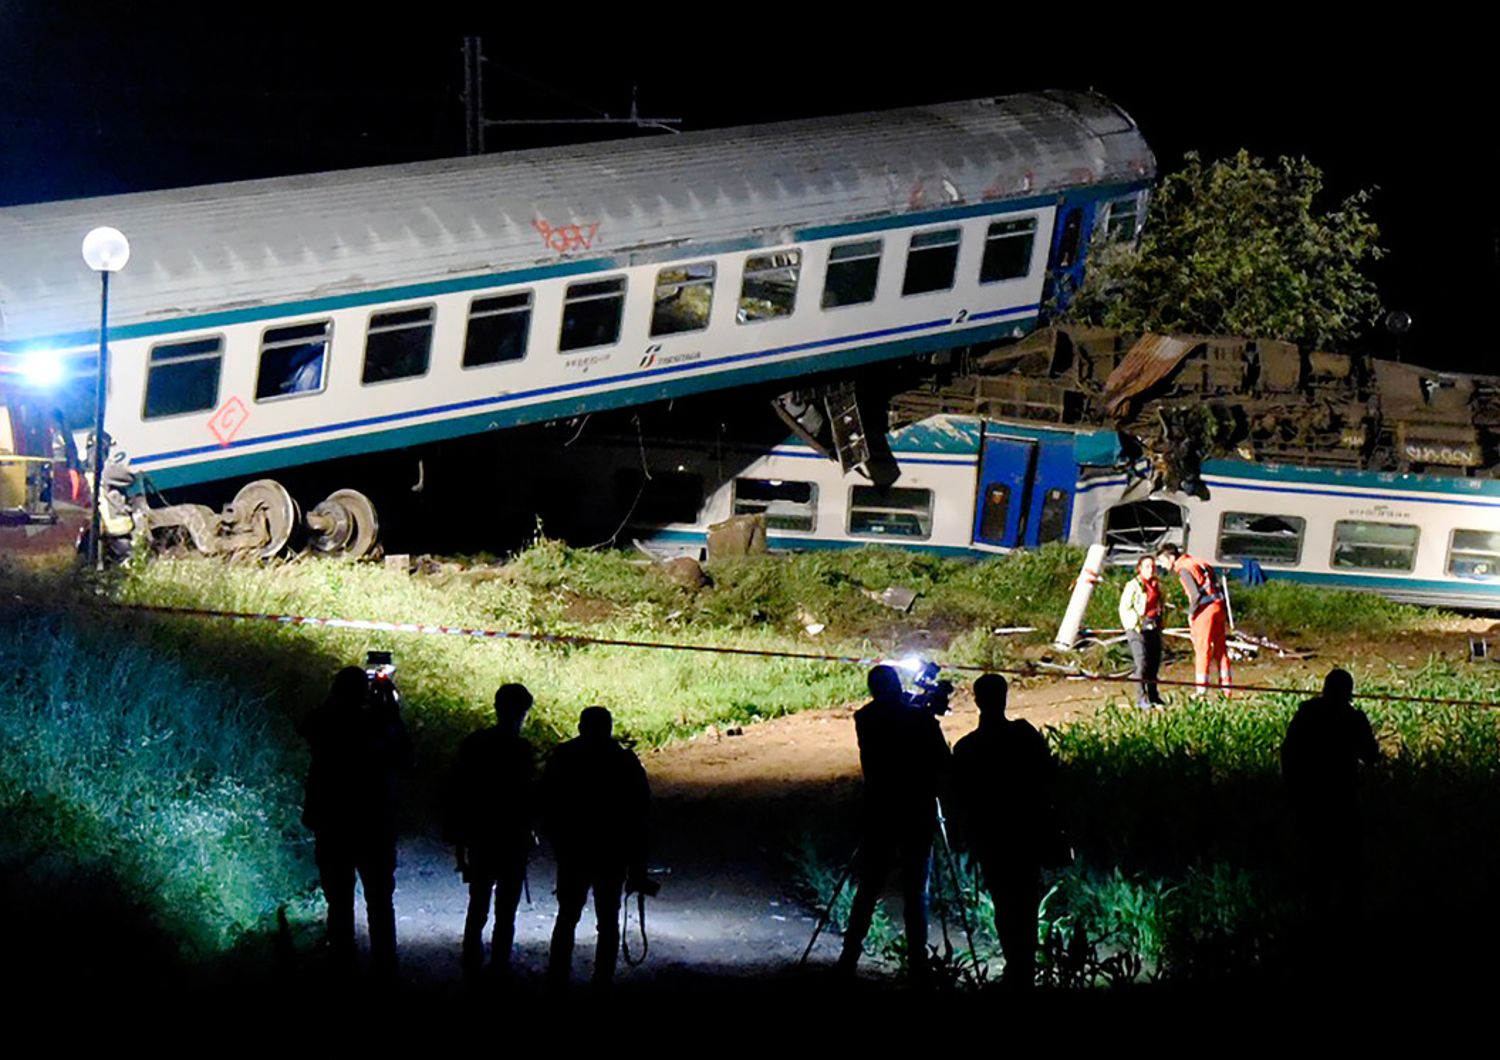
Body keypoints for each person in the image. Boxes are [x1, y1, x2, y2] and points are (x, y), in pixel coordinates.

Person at [836, 665, 951, 984]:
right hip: (916, 811)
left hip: (880, 811)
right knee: (917, 891)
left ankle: (849, 957)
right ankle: (917, 962)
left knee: (869, 887)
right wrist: (926, 714)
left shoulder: (866, 718)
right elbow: (943, 762)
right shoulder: (918, 719)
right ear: (897, 685)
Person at [300, 665, 414, 976]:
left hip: (334, 822)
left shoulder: (327, 722)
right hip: (373, 824)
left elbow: (307, 726)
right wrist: (391, 710)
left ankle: (342, 966)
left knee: (339, 903)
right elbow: (405, 758)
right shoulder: (378, 723)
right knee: (379, 902)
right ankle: (384, 968)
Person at [950, 674, 1059, 989]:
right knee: (1025, 901)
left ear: (976, 700)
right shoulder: (1024, 735)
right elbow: (1048, 777)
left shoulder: (968, 747)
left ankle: (1016, 965)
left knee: (1004, 903)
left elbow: (959, 794)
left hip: (990, 835)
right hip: (1025, 829)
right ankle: (1024, 966)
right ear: (1005, 698)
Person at [541, 706, 651, 989]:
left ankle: (557, 977)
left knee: (567, 916)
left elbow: (547, 803)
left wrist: (556, 842)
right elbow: (640, 814)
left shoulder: (564, 757)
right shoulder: (623, 761)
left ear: (581, 727)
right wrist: (638, 862)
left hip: (574, 850)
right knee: (608, 920)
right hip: (610, 852)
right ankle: (602, 980)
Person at [1280, 668, 1379, 956]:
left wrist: (1293, 788)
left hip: (1310, 798)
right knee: (1348, 865)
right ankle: (1347, 928)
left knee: (1314, 862)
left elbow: (1288, 753)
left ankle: (1314, 925)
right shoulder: (1353, 719)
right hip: (1342, 798)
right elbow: (1371, 756)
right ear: (1348, 693)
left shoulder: (1307, 714)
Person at [446, 683, 537, 979]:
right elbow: (527, 797)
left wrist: (460, 843)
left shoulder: (475, 744)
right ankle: (499, 962)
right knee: (506, 908)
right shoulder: (522, 750)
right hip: (511, 837)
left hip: (482, 834)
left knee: (479, 900)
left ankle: (472, 956)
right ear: (521, 713)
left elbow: (459, 792)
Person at [1156, 544, 1231, 695]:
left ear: (1171, 558)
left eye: (1163, 562)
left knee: (1202, 649)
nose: (1163, 566)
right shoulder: (1198, 561)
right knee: (1220, 649)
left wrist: (1191, 613)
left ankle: (1201, 690)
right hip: (1219, 606)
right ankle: (1227, 687)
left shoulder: (1183, 569)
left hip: (1205, 610)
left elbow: (1195, 595)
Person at [1118, 554, 1165, 708]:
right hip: (1137, 628)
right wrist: (1136, 622)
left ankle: (1154, 695)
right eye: (1147, 566)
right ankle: (1141, 697)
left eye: (1153, 567)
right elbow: (1125, 608)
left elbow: (1161, 604)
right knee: (1142, 662)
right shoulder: (1132, 586)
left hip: (1154, 626)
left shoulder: (1158, 585)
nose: (1150, 570)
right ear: (1139, 569)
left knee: (1154, 662)